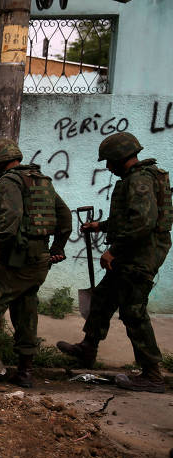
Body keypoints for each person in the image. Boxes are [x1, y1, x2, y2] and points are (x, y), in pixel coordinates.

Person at [57, 132, 171, 393]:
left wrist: (114, 251)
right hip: (132, 254)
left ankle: (152, 375)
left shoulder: (140, 181)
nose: (107, 167)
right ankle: (88, 348)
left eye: (109, 161)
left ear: (121, 158)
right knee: (103, 298)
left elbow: (143, 223)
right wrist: (101, 226)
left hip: (139, 257)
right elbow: (131, 219)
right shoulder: (140, 178)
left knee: (133, 312)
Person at [0, 138, 72, 390]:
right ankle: (25, 372)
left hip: (16, 259)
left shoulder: (10, 181)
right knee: (25, 310)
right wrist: (57, 248)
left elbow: (11, 219)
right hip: (39, 260)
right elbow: (65, 217)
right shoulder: (41, 180)